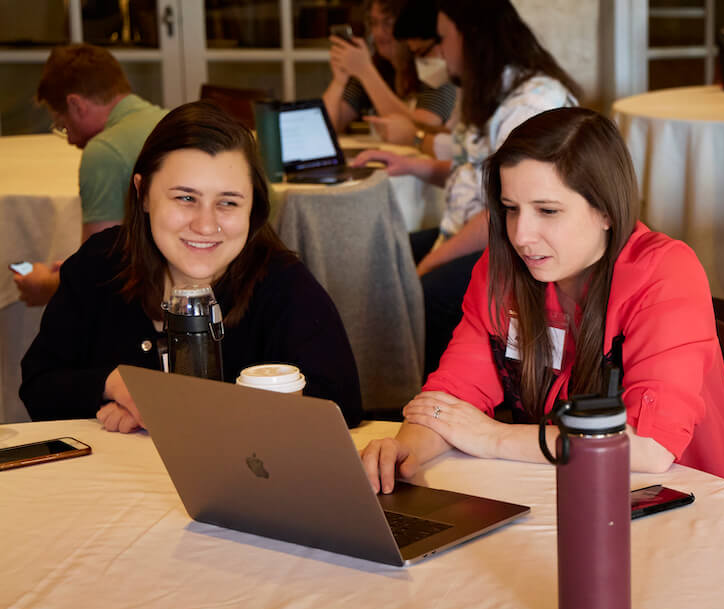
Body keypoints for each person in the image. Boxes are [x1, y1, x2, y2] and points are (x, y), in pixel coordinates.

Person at [360, 107, 724, 494]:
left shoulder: (664, 272)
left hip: (687, 500)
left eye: (547, 211)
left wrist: (495, 437)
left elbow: (650, 446)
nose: (522, 235)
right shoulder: (502, 271)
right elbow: (452, 396)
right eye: (511, 210)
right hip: (563, 489)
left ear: (605, 211)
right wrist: (402, 449)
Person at [20, 101, 363, 431]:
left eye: (227, 202)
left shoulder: (283, 284)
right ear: (143, 194)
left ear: (253, 207)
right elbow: (39, 386)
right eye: (185, 198)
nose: (205, 224)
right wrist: (114, 384)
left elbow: (340, 403)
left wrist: (200, 413)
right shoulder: (100, 264)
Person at [353, 0, 580, 376]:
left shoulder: (529, 105)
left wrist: (429, 264)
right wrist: (415, 165)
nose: (439, 51)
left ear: (471, 39)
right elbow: (474, 176)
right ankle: (385, 387)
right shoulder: (493, 92)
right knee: (384, 259)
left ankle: (431, 396)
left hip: (513, 246)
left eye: (442, 40)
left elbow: (502, 210)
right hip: (471, 229)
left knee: (424, 291)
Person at [12, 43, 166, 306]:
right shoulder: (169, 118)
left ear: (76, 105)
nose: (70, 139)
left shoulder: (104, 151)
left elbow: (101, 273)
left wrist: (46, 286)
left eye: (63, 124)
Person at [322, 0, 457, 135]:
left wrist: (366, 72)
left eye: (388, 23)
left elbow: (424, 130)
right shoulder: (376, 68)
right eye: (374, 23)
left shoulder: (432, 67)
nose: (379, 33)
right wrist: (339, 81)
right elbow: (325, 128)